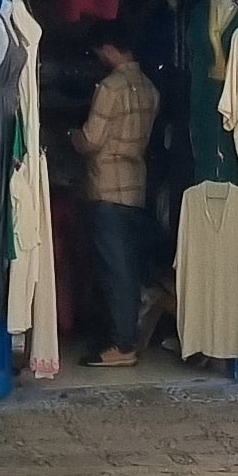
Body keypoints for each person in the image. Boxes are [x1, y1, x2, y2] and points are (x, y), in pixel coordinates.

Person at [78, 37, 160, 366]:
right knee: (127, 268)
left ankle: (121, 345)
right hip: (135, 187)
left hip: (107, 187)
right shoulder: (150, 88)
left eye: (99, 50)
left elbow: (91, 139)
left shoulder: (110, 88)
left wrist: (72, 137)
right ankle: (125, 337)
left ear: (110, 48)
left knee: (114, 271)